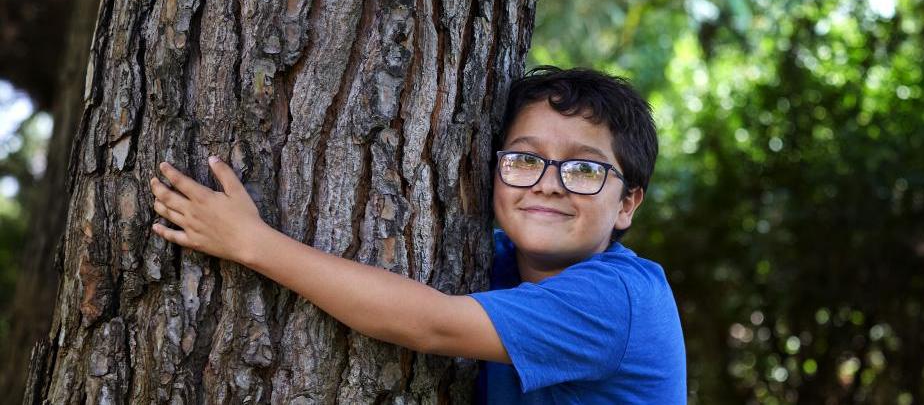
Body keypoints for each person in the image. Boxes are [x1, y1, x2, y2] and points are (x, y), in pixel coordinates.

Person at [149, 66, 686, 403]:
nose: (548, 184)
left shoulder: (618, 300)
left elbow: (430, 325)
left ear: (627, 205)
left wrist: (252, 243)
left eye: (585, 170)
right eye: (525, 159)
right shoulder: (497, 258)